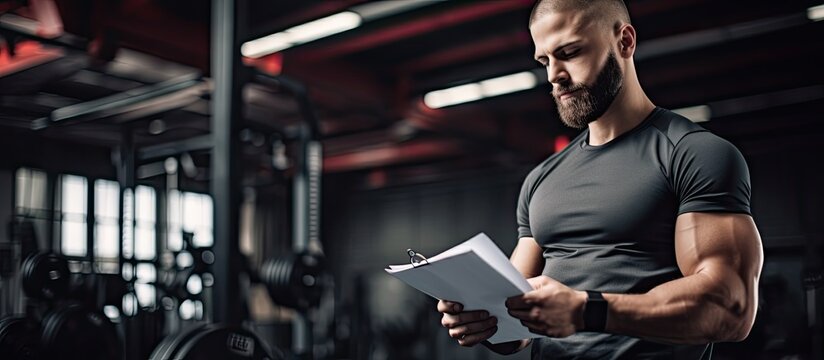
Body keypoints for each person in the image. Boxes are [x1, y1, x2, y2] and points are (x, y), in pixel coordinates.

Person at [436, 0, 764, 358]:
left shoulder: (693, 154)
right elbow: (516, 325)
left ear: (624, 42)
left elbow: (731, 307)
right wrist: (483, 320)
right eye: (545, 61)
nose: (553, 75)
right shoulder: (541, 180)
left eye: (570, 52)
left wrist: (587, 310)